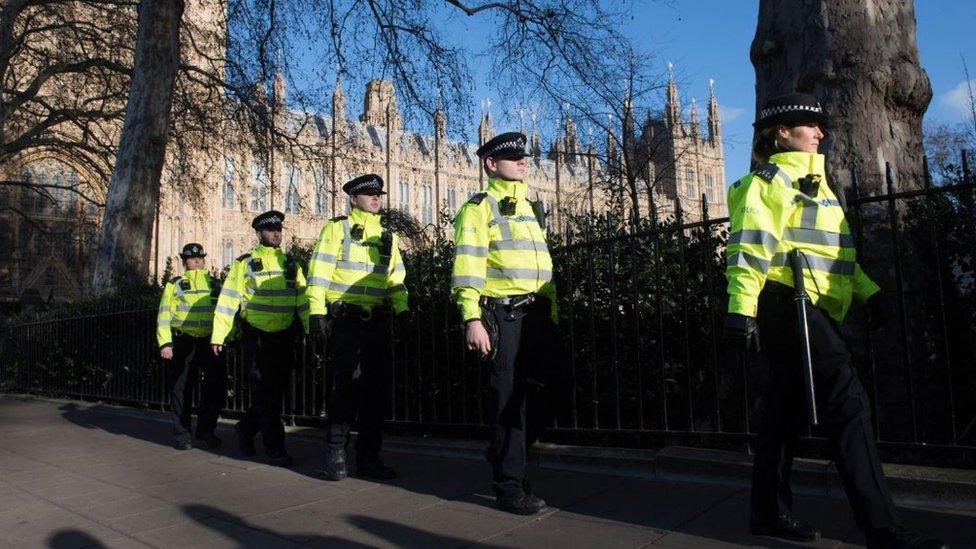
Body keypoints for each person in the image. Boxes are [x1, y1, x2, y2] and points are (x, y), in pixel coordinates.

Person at [724, 92, 947, 549]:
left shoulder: (819, 185)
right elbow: (749, 250)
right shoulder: (766, 183)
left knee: (782, 417)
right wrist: (741, 310)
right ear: (782, 132)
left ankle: (768, 513)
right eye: (810, 126)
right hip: (789, 303)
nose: (821, 132)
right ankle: (882, 528)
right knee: (849, 406)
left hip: (817, 304)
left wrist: (869, 293)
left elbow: (836, 255)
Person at [451, 131, 563, 516]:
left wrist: (552, 310)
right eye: (512, 156)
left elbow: (539, 264)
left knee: (551, 392)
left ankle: (502, 455)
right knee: (507, 402)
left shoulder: (530, 206)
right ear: (490, 164)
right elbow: (467, 266)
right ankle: (509, 485)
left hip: (537, 316)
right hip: (503, 313)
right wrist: (471, 317)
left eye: (523, 156)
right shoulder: (479, 208)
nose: (522, 161)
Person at [306, 174, 410, 481]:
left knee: (376, 392)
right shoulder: (337, 229)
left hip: (376, 321)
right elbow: (320, 270)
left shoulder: (388, 236)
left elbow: (396, 279)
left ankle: (369, 458)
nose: (376, 198)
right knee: (346, 388)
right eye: (368, 194)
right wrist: (316, 312)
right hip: (346, 320)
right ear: (353, 199)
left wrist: (402, 310)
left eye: (379, 193)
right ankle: (336, 450)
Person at [211, 210, 309, 467]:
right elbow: (228, 300)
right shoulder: (245, 264)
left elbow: (303, 302)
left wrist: (313, 328)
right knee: (266, 393)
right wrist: (218, 335)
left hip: (284, 337)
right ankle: (275, 448)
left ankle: (245, 429)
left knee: (274, 394)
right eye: (270, 229)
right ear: (259, 233)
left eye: (279, 229)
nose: (276, 233)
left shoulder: (291, 265)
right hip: (256, 338)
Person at [156, 243, 225, 450]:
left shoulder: (214, 284)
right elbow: (164, 315)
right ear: (184, 261)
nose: (196, 261)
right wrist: (165, 343)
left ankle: (206, 430)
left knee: (215, 387)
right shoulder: (175, 285)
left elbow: (224, 312)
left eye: (200, 258)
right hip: (183, 341)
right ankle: (182, 434)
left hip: (210, 341)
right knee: (181, 389)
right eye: (191, 258)